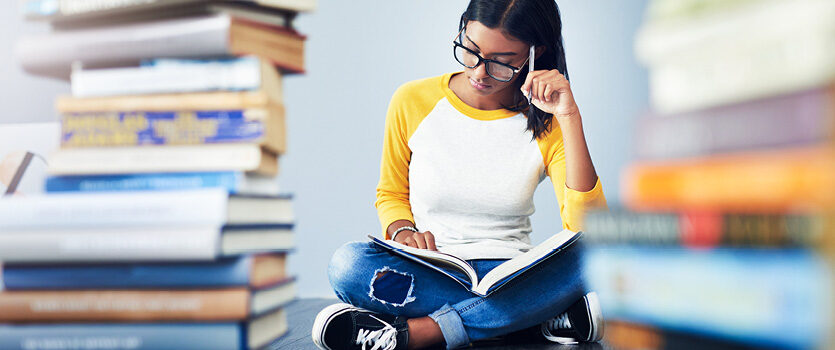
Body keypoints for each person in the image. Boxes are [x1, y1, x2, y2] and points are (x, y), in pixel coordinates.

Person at [312, 1, 608, 349]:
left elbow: (587, 224)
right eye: (470, 50)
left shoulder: (548, 120)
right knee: (348, 265)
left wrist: (569, 115)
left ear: (534, 53)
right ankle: (532, 317)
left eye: (502, 61)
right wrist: (403, 230)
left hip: (513, 275)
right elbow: (391, 193)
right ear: (463, 27)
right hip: (431, 271)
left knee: (597, 248)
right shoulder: (412, 100)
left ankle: (419, 333)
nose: (480, 72)